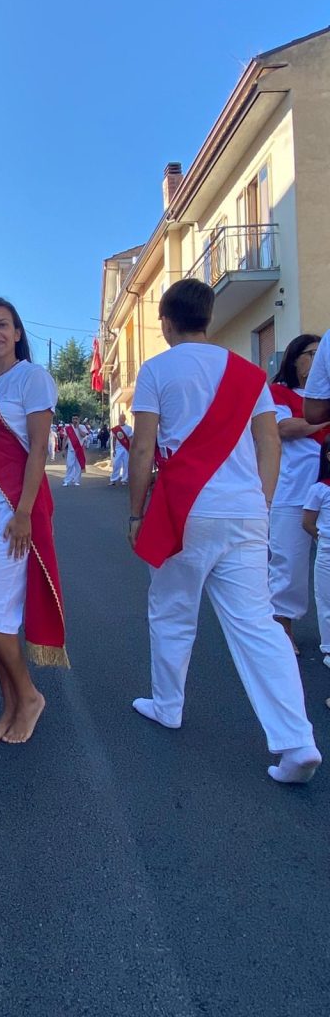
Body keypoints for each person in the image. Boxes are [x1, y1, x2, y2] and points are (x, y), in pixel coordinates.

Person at [128, 278, 320, 784]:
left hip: (184, 510)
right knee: (257, 626)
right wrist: (263, 500)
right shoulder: (248, 373)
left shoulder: (156, 370)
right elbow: (270, 444)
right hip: (246, 511)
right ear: (208, 319)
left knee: (172, 611)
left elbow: (143, 450)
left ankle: (168, 704)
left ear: (165, 322)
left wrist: (134, 514)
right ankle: (296, 740)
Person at [0, 297, 69, 745]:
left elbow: (39, 450)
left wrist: (23, 512)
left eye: (3, 325)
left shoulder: (32, 378)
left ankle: (28, 697)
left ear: (18, 332)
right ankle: (8, 706)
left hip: (12, 510)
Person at [268, 335, 329, 653]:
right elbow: (283, 428)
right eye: (311, 354)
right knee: (288, 564)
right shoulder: (279, 392)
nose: (318, 360)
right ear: (294, 360)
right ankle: (283, 629)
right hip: (292, 491)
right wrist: (321, 422)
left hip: (326, 492)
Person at [302, 434, 330, 669]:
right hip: (327, 551)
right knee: (326, 600)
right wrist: (322, 539)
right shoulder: (320, 489)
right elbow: (308, 522)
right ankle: (328, 648)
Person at [62, 414, 88, 487]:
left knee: (78, 466)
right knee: (69, 465)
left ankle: (76, 480)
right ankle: (67, 480)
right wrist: (63, 449)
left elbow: (83, 435)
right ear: (72, 420)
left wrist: (78, 428)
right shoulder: (68, 428)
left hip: (79, 449)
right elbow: (64, 439)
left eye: (76, 419)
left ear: (79, 419)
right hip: (71, 449)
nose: (75, 420)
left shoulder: (82, 427)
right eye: (73, 419)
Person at [109, 412, 132, 486]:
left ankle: (124, 479)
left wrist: (131, 449)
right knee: (116, 464)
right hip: (118, 449)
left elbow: (131, 439)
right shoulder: (116, 429)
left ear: (125, 419)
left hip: (126, 448)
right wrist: (114, 449)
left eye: (122, 418)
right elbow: (114, 439)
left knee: (126, 464)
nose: (121, 420)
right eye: (119, 418)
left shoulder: (129, 428)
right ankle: (113, 480)